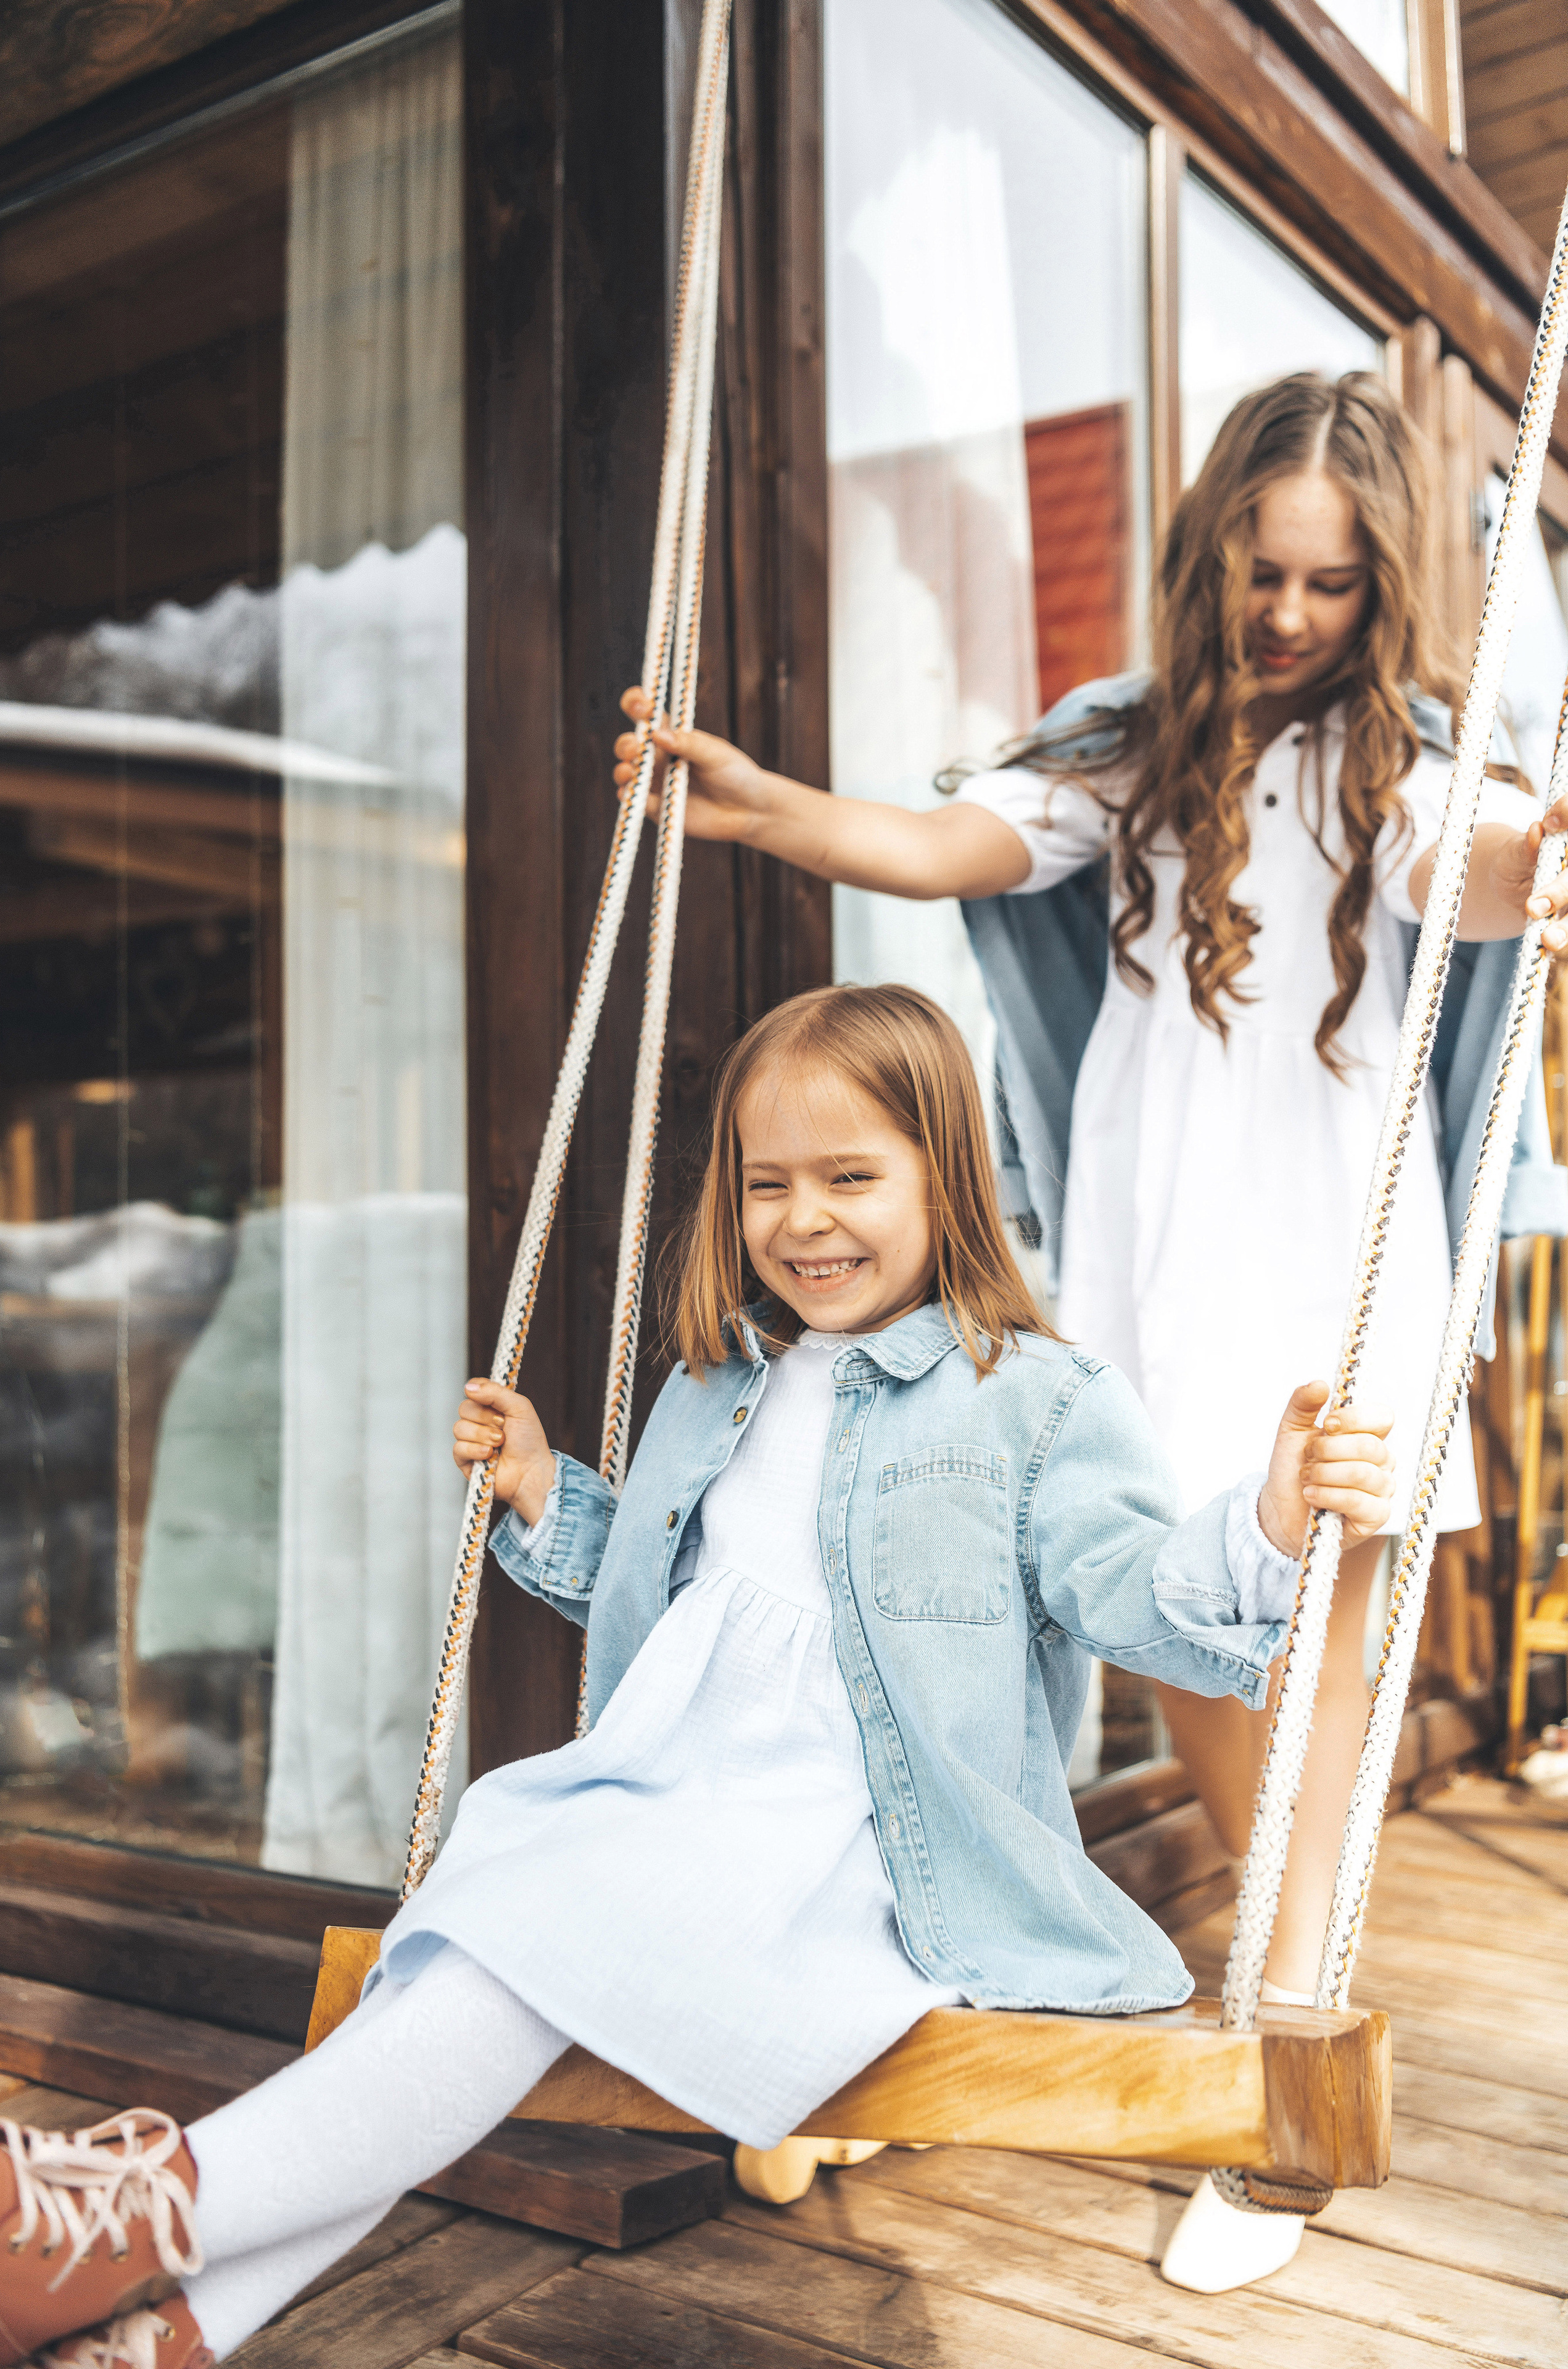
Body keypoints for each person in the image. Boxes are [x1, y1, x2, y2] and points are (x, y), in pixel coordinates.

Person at [0, 983, 1394, 2366]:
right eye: (764, 1183)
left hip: (844, 1851)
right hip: (660, 1788)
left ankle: (125, 2209)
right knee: (453, 1987)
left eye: (850, 1176)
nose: (803, 1220)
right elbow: (667, 1596)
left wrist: (1268, 1527)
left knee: (493, 1965)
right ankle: (167, 2330)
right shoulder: (716, 1381)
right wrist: (546, 1490)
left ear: (943, 1179)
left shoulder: (1030, 1399)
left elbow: (1136, 1598)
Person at [607, 371, 1568, 2286]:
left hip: (1330, 1265)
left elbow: (1482, 875)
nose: (1292, 617)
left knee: (1326, 1664)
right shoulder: (1135, 761)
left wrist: (1539, 861)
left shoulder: (1413, 771)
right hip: (1143, 1260)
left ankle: (1280, 2080)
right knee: (1189, 1640)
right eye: (1264, 576)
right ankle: (1271, 1989)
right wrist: (774, 809)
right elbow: (952, 851)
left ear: (1384, 591)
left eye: (1334, 585)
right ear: (1213, 559)